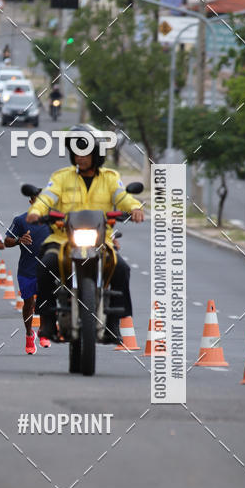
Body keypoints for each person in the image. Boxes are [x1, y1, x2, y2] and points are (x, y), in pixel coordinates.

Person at [26, 131, 144, 344]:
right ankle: (46, 321)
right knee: (45, 265)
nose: (80, 157)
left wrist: (135, 208)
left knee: (121, 269)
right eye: (77, 153)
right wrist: (36, 211)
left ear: (96, 155)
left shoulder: (110, 178)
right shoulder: (61, 176)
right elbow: (47, 197)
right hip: (62, 239)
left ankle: (114, 323)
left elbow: (123, 197)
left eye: (85, 153)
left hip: (100, 242)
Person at [5, 194, 51, 354]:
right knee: (29, 303)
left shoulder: (53, 220)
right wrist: (19, 240)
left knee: (46, 302)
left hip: (47, 269)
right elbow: (6, 241)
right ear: (31, 201)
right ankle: (29, 334)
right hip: (27, 270)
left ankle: (43, 331)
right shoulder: (20, 220)